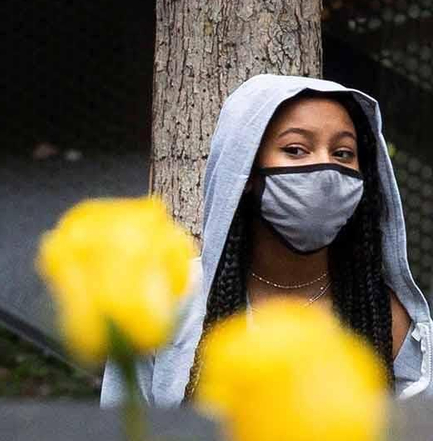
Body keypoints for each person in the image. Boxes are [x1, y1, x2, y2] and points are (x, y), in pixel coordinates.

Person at [103, 74, 432, 406]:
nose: (325, 168)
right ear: (245, 171)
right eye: (295, 149)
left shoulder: (385, 316)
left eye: (343, 153)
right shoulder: (165, 298)